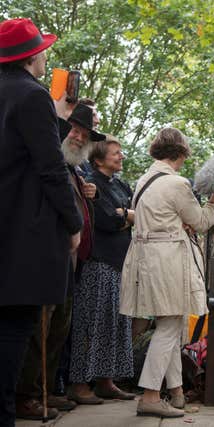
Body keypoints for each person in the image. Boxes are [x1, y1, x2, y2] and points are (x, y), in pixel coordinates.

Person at [0, 17, 83, 426]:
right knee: (16, 329)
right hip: (24, 233)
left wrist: (61, 117)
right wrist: (73, 222)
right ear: (33, 55)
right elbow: (49, 167)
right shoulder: (31, 96)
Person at [119, 128, 214, 418]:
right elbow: (202, 222)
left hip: (144, 259)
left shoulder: (144, 180)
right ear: (181, 153)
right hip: (166, 261)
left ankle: (176, 392)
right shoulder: (177, 184)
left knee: (173, 324)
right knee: (168, 327)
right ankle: (151, 396)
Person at [15, 102, 105, 418]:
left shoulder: (75, 170)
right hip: (46, 256)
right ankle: (27, 395)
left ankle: (46, 389)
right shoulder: (49, 160)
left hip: (70, 263)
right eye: (76, 131)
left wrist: (87, 194)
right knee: (40, 329)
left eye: (85, 134)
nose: (80, 137)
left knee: (58, 330)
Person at [68, 136, 136, 403]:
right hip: (98, 264)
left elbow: (134, 213)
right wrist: (125, 216)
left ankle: (105, 381)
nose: (120, 156)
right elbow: (107, 220)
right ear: (98, 159)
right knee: (91, 324)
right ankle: (79, 384)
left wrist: (125, 214)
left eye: (121, 152)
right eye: (115, 153)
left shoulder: (120, 184)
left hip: (121, 265)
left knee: (115, 325)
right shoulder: (91, 184)